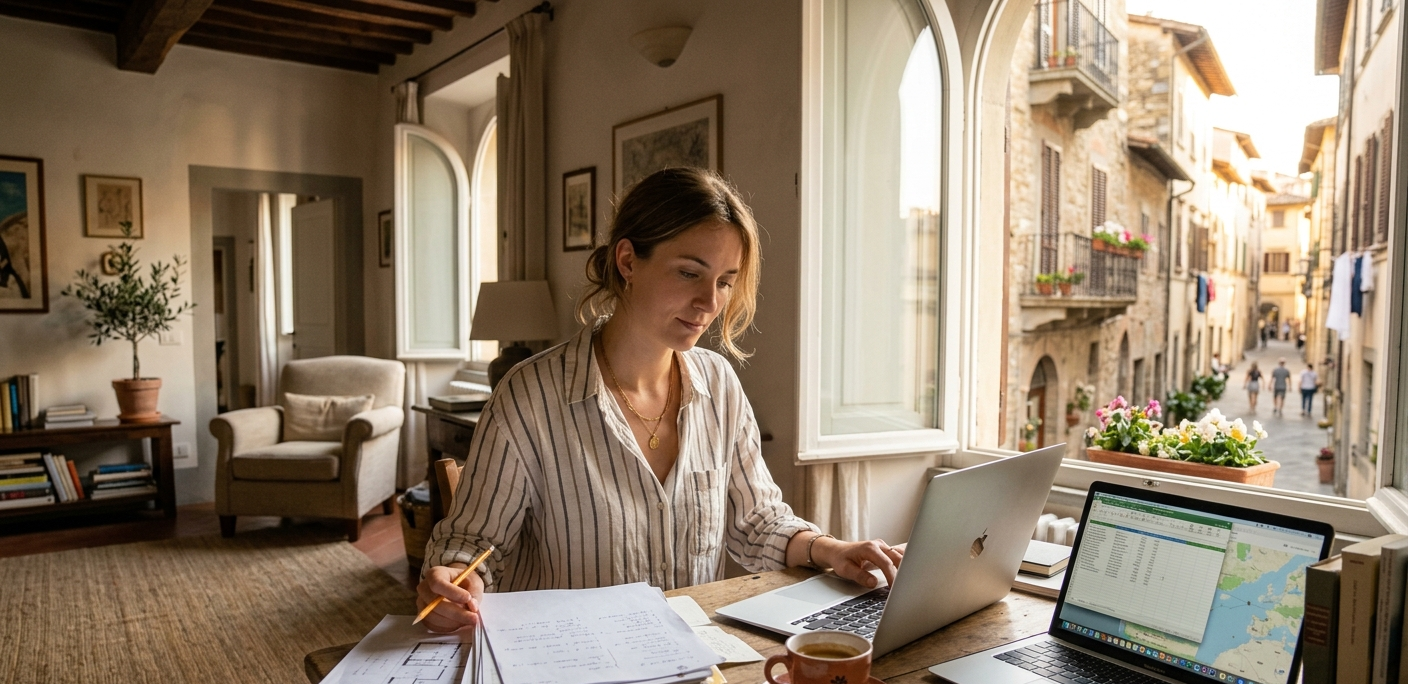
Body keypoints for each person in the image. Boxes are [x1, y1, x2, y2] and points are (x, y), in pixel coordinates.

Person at [415, 168, 904, 633]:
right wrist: (454, 579)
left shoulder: (719, 385)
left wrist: (830, 549)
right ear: (628, 261)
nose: (711, 303)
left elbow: (757, 521)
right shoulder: (529, 396)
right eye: (690, 273)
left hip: (697, 657)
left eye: (725, 281)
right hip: (573, 665)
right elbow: (475, 545)